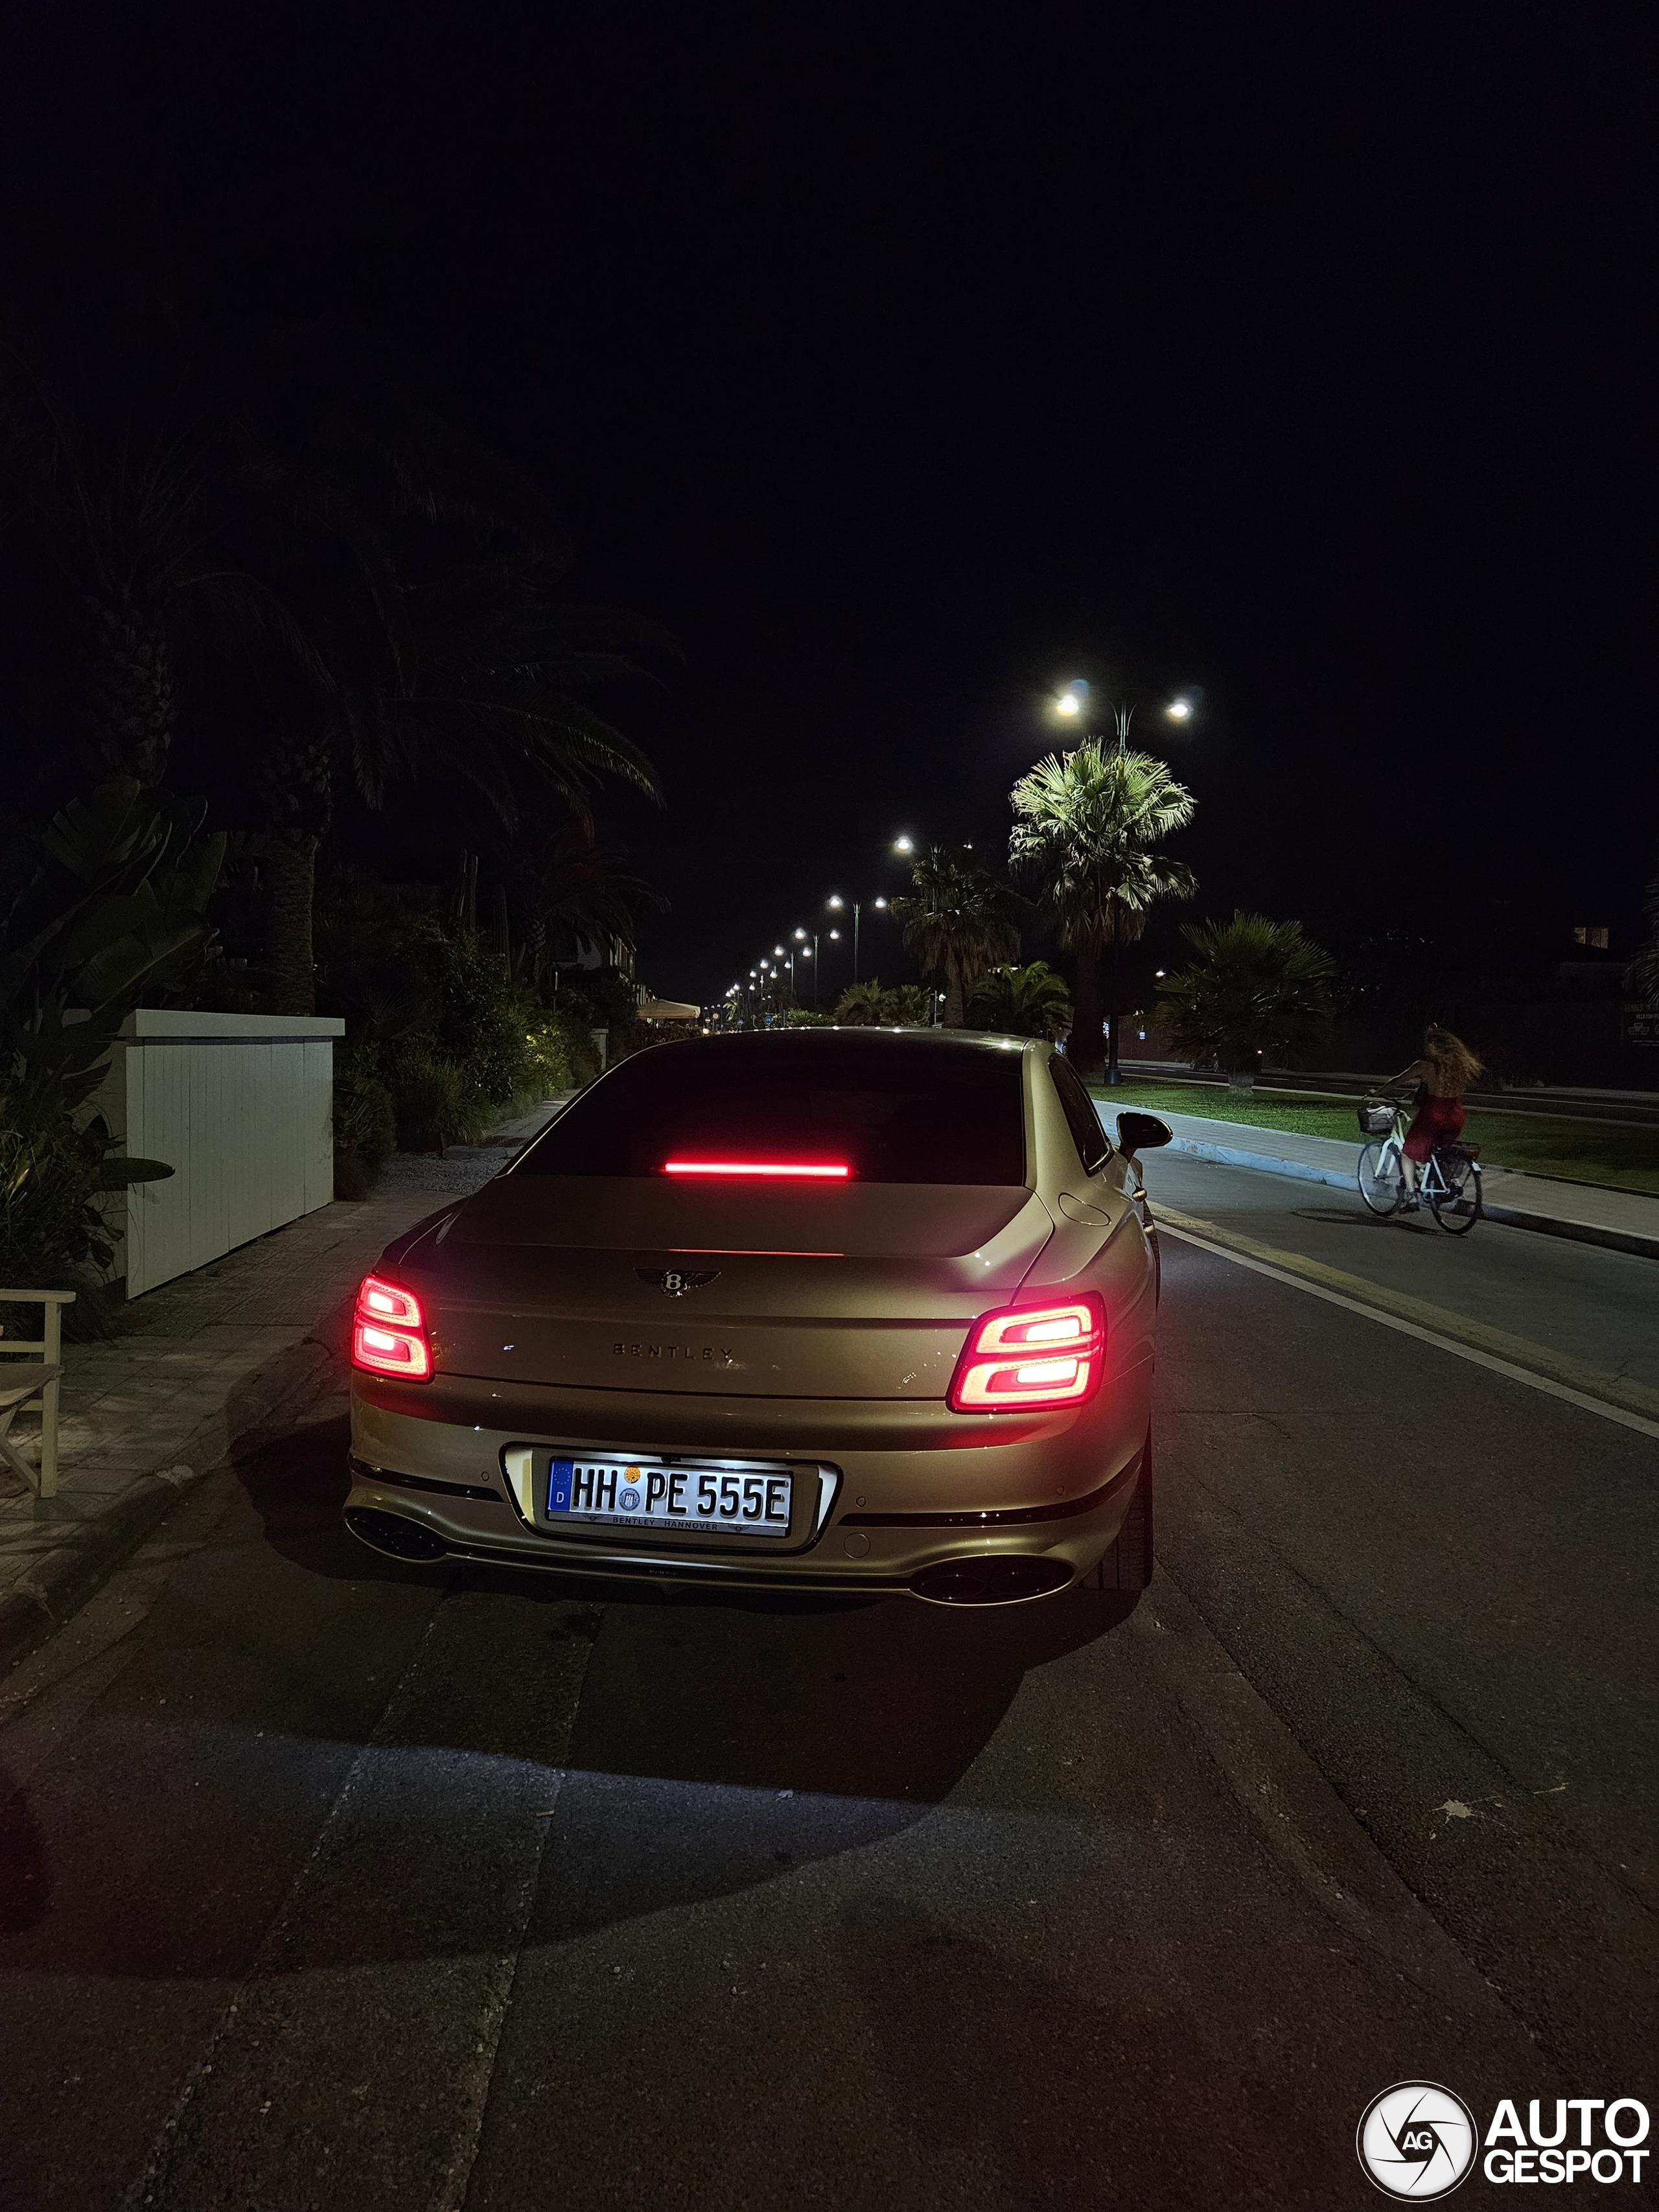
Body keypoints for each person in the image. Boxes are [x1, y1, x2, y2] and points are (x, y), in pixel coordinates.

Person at [1389, 1025, 1482, 1205]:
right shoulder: (1458, 1068)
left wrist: (1378, 1092)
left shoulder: (1424, 1066)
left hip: (1433, 1116)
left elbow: (1398, 1080)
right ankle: (1447, 1181)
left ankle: (1411, 1197)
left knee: (1408, 1154)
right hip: (1455, 1115)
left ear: (1433, 1047)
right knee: (1439, 1152)